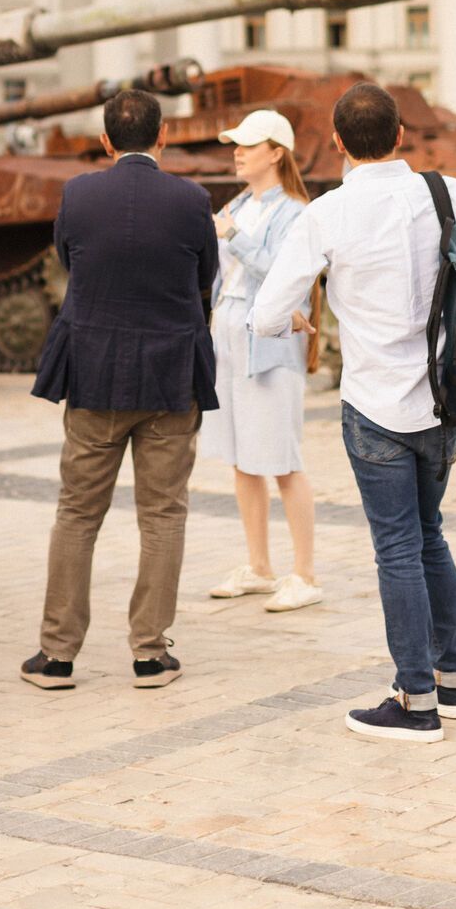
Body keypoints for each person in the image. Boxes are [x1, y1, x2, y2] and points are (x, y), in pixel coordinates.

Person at [254, 81, 456, 743]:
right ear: (400, 136)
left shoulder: (328, 214)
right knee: (429, 536)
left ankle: (415, 701)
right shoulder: (446, 191)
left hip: (373, 404)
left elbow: (262, 314)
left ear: (338, 143)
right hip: (442, 396)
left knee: (396, 547)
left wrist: (292, 323)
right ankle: (451, 682)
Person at [22, 88, 219, 692]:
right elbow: (205, 275)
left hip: (95, 371)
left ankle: (56, 656)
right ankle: (150, 654)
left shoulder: (78, 193)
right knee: (162, 514)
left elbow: (68, 261)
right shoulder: (193, 200)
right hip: (169, 376)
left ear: (106, 140)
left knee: (77, 512)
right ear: (164, 137)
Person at [201, 109, 322, 613]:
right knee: (241, 459)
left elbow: (284, 273)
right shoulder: (237, 205)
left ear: (276, 152)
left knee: (282, 460)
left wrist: (232, 236)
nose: (237, 151)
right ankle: (259, 566)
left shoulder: (295, 211)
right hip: (226, 338)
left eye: (248, 144)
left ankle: (306, 573)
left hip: (268, 347)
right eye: (236, 143)